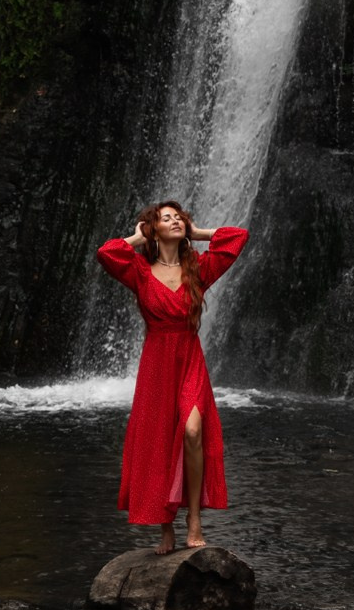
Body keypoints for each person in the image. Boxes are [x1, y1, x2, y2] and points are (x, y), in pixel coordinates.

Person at [96, 202, 248, 554]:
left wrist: (199, 233)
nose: (176, 221)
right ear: (154, 229)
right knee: (161, 440)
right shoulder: (139, 271)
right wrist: (137, 237)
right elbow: (107, 252)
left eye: (179, 217)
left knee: (193, 431)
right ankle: (166, 527)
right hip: (156, 366)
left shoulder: (198, 268)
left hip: (190, 358)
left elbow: (237, 237)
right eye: (167, 218)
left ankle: (194, 519)